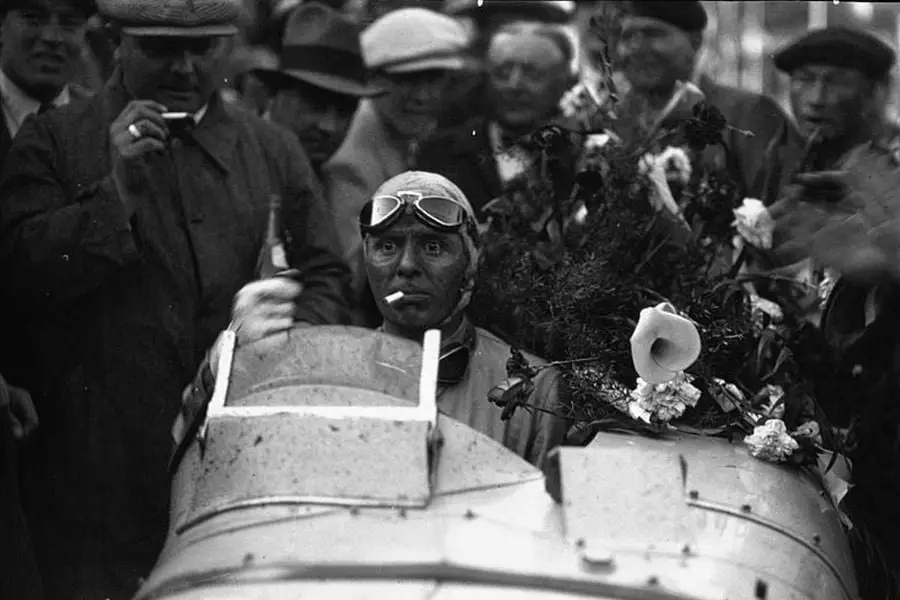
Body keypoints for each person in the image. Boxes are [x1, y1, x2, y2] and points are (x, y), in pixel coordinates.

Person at [0, 0, 351, 597]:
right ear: (114, 42)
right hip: (92, 473)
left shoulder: (271, 150)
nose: (186, 69)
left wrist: (281, 338)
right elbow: (18, 275)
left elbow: (326, 276)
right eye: (162, 49)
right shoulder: (53, 141)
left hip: (239, 464)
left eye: (205, 49)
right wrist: (116, 195)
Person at [176, 170, 569, 470]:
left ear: (470, 262)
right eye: (387, 246)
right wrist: (226, 359)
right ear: (366, 260)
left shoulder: (535, 392)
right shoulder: (327, 377)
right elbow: (198, 456)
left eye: (433, 247)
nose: (408, 266)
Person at [323, 7, 468, 323]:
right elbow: (348, 282)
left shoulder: (406, 130)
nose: (422, 96)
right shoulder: (354, 154)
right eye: (408, 81)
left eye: (434, 80)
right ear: (373, 79)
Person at [613, 1, 794, 201]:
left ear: (695, 40)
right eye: (627, 37)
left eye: (653, 34)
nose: (637, 48)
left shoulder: (746, 116)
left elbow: (782, 213)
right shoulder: (610, 122)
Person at [418, 21, 576, 217]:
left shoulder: (584, 157)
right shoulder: (437, 154)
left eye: (532, 74)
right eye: (502, 73)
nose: (514, 85)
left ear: (565, 83)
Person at [254, 1, 384, 179]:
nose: (329, 126)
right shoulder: (237, 170)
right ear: (273, 94)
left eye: (345, 111)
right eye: (316, 104)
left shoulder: (330, 183)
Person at [0, 0, 94, 162]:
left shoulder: (104, 122)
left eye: (69, 23)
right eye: (33, 18)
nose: (52, 37)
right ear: (1, 23)